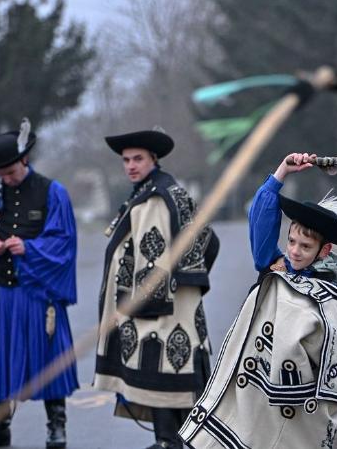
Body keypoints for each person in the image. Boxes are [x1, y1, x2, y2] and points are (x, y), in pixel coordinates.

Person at [179, 153, 337, 449]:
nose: (295, 252)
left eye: (306, 246)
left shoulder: (334, 296)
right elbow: (260, 224)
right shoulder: (277, 267)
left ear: (325, 251)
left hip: (302, 404)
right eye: (292, 242)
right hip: (258, 396)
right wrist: (281, 171)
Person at [92, 129, 220, 449]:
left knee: (164, 366)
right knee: (165, 367)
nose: (131, 165)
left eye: (138, 159)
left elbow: (157, 253)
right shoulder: (159, 190)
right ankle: (168, 440)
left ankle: (171, 441)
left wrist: (147, 302)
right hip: (170, 300)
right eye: (126, 160)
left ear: (154, 159)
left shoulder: (158, 196)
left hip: (161, 303)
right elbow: (208, 241)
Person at [0, 119, 78, 449]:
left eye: (11, 172)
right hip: (0, 294)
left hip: (38, 295)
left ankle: (56, 429)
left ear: (24, 161)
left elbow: (64, 243)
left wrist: (29, 248)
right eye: (0, 174)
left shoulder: (52, 192)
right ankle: (0, 431)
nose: (6, 179)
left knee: (49, 361)